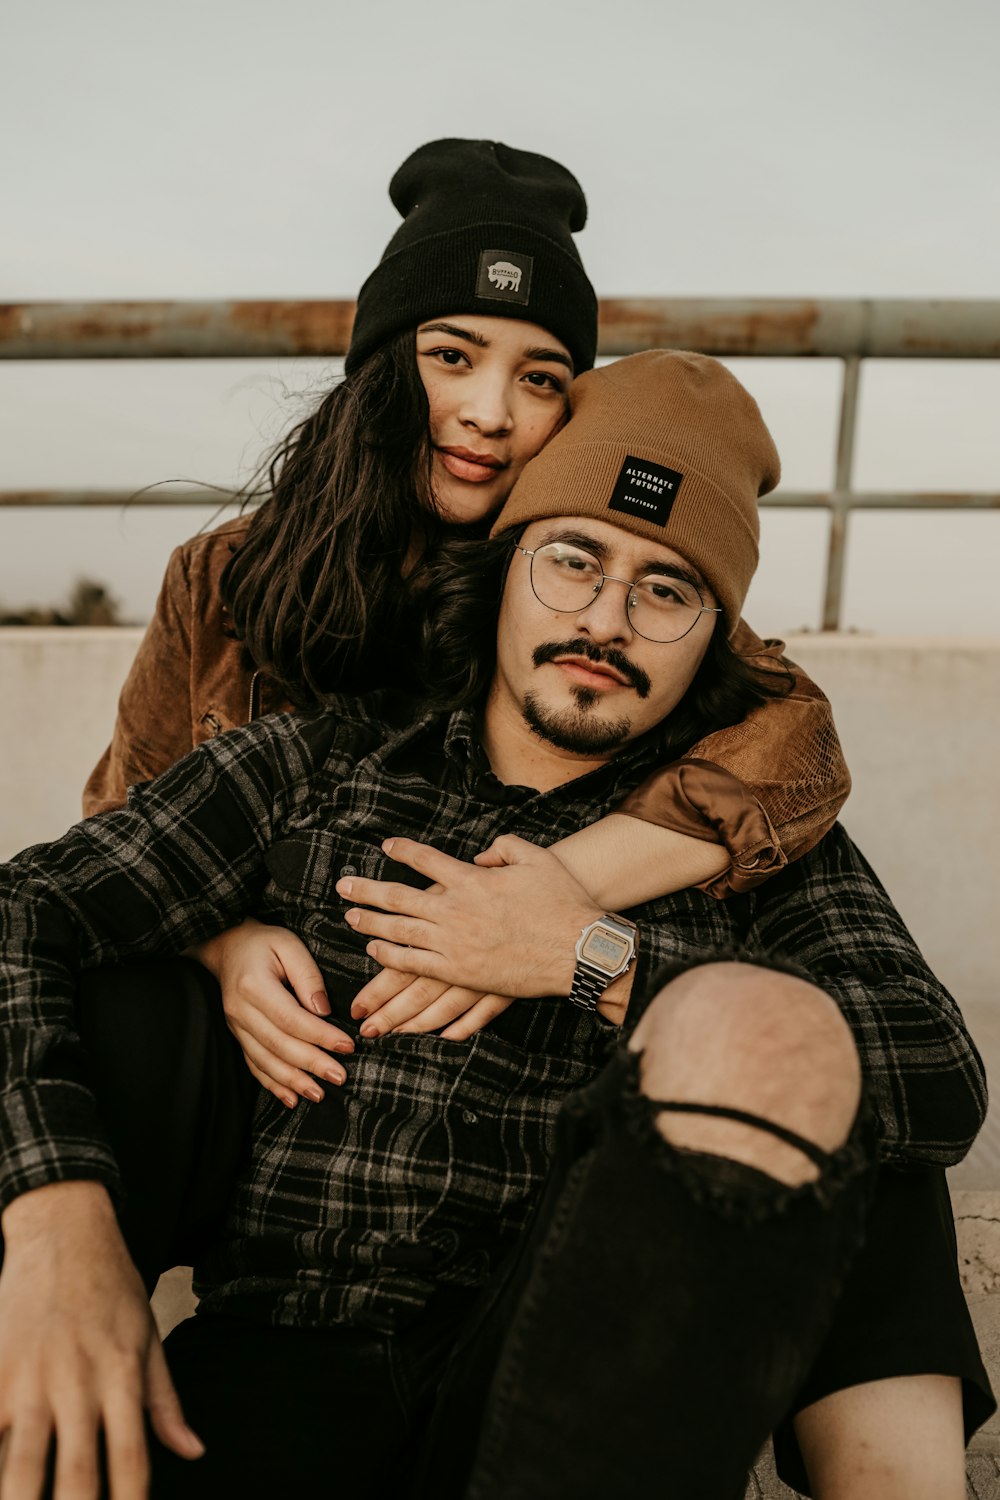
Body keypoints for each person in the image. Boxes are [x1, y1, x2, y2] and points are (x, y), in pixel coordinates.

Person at [0, 351, 990, 1500]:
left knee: (800, 1044)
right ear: (507, 568)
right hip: (284, 1357)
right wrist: (61, 1220)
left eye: (667, 590)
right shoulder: (321, 769)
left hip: (571, 1389)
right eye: (573, 561)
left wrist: (584, 956)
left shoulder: (751, 851)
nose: (606, 620)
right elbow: (27, 913)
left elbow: (935, 1078)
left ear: (716, 636)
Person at [78, 137, 852, 1109]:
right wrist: (219, 946)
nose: (489, 413)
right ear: (379, 368)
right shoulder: (224, 576)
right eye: (451, 357)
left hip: (487, 1072)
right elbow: (122, 817)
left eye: (539, 378)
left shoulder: (572, 581)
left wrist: (545, 896)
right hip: (275, 1052)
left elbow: (795, 738)